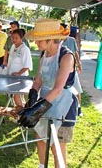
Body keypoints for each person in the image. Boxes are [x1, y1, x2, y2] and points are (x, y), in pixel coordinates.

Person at [18, 18, 78, 168]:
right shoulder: (44, 55)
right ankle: (41, 165)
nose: (36, 43)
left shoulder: (66, 57)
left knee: (57, 145)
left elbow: (58, 88)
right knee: (41, 139)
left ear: (50, 39)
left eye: (39, 40)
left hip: (63, 104)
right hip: (45, 101)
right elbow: (38, 80)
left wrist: (37, 110)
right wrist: (32, 99)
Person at [7, 29, 33, 111]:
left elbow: (28, 65)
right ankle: (24, 112)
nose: (13, 40)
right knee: (20, 96)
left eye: (16, 38)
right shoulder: (13, 46)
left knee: (16, 96)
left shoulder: (25, 49)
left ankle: (20, 114)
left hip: (21, 77)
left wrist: (19, 73)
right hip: (12, 76)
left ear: (21, 38)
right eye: (12, 38)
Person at [61, 24, 83, 116]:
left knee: (77, 90)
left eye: (68, 31)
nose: (67, 33)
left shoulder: (71, 40)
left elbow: (75, 53)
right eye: (64, 31)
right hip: (61, 71)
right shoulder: (56, 41)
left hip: (72, 70)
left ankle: (79, 109)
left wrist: (79, 64)